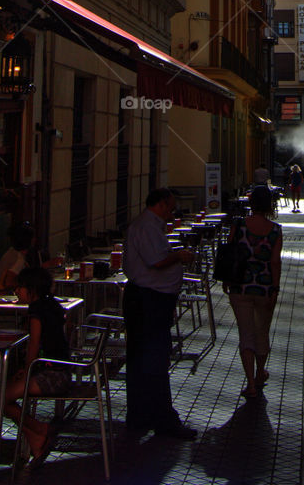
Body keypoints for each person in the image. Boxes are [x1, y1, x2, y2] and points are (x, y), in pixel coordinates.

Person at [122, 187, 196, 439]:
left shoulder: (149, 225)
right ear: (162, 205)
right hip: (148, 301)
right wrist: (179, 257)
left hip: (151, 299)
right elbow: (156, 261)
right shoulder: (146, 226)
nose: (172, 211)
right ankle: (161, 419)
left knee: (146, 359)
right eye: (171, 206)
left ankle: (142, 416)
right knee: (153, 358)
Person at [3, 267, 71, 467]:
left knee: (0, 399)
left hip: (51, 375)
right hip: (61, 372)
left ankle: (41, 429)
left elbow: (34, 343)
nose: (16, 291)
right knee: (3, 398)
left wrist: (28, 369)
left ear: (32, 289)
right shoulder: (53, 306)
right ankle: (36, 440)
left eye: (20, 287)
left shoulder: (37, 311)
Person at [225, 186, 282, 399]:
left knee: (245, 334)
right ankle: (260, 372)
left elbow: (229, 253)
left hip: (240, 286)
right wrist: (275, 287)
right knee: (262, 332)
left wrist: (227, 279)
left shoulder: (239, 225)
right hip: (265, 288)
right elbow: (275, 262)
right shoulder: (275, 230)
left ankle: (250, 382)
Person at [0, 222, 35, 291]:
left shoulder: (12, 252)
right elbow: (8, 283)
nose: (35, 240)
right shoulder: (18, 259)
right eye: (33, 237)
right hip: (0, 295)